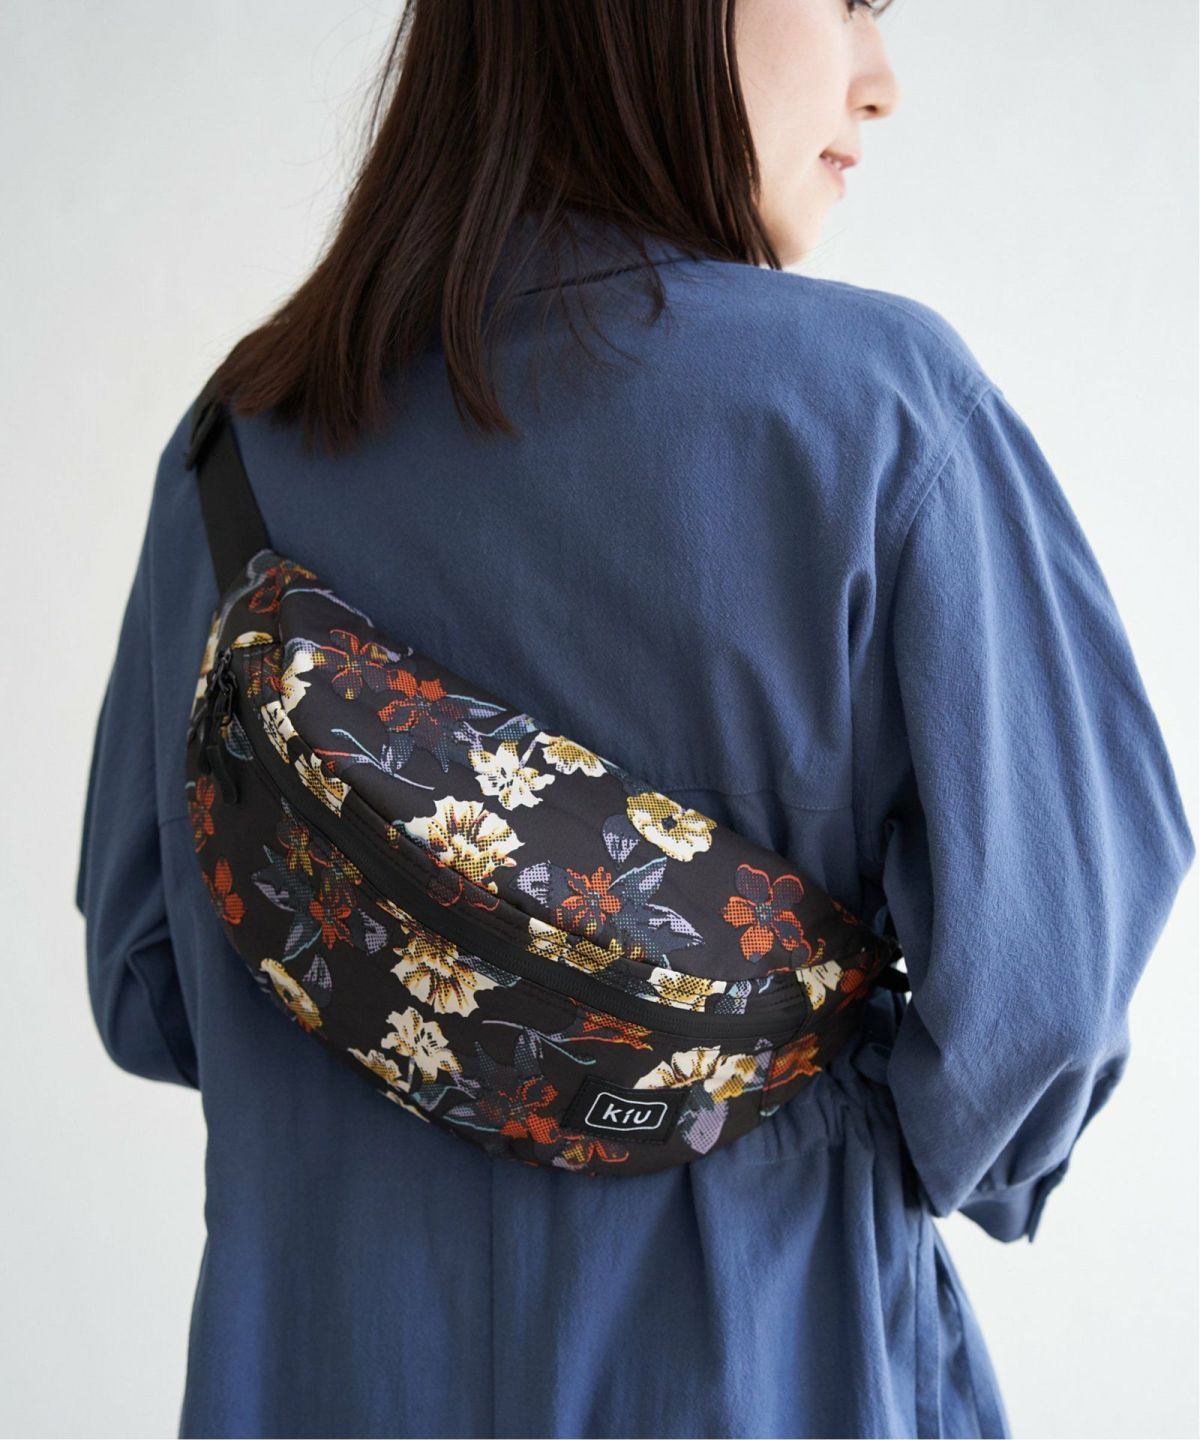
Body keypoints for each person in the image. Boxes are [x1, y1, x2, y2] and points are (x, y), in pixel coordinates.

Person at [75, 1, 1195, 1436]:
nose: (881, 81)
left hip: (320, 1373)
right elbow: (1036, 1024)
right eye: (849, 0)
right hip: (760, 1373)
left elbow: (150, 983)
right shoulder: (880, 417)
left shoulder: (238, 439)